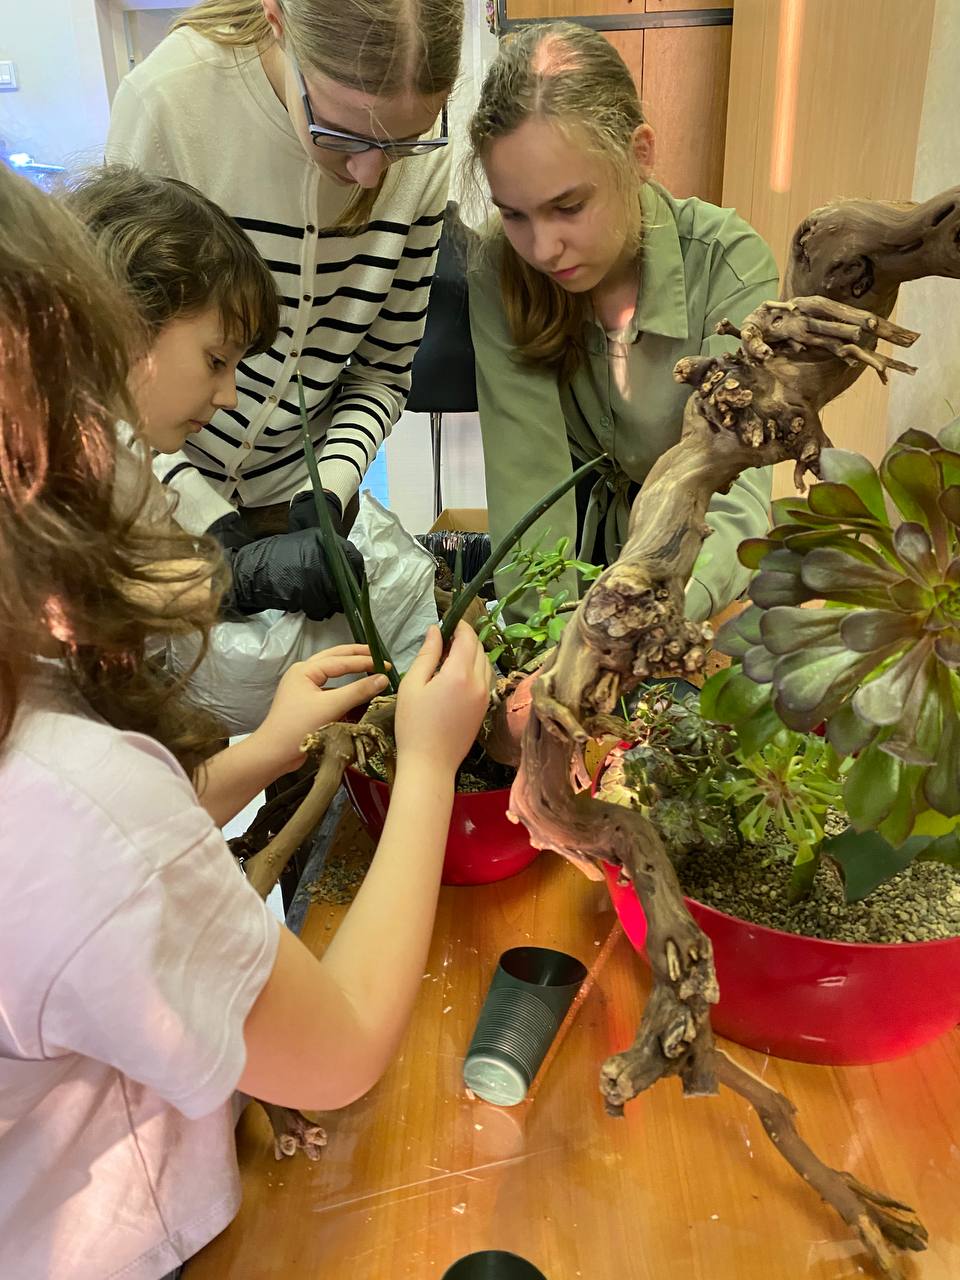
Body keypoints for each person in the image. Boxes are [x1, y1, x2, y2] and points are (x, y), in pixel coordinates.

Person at [0, 164, 491, 1280]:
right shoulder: (69, 801)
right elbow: (343, 1046)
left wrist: (266, 750)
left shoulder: (45, 730)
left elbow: (124, 906)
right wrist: (427, 762)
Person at [106, 0, 463, 553]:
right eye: (340, 132)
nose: (370, 174)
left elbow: (383, 373)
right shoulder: (168, 100)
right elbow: (102, 376)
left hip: (299, 499)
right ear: (279, 24)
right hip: (157, 500)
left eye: (403, 141)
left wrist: (327, 494)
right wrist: (207, 522)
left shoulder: (425, 156)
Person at [466, 22, 780, 622]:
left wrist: (657, 619)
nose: (543, 248)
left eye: (568, 207)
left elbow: (734, 486)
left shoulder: (727, 264)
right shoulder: (500, 265)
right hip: (572, 565)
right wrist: (551, 638)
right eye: (514, 214)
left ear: (640, 154)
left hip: (700, 569)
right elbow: (526, 480)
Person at [66, 162, 362, 623]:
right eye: (217, 361)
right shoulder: (32, 465)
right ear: (124, 321)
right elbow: (66, 596)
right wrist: (238, 579)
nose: (230, 398)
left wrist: (230, 571)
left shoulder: (114, 442)